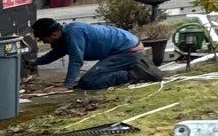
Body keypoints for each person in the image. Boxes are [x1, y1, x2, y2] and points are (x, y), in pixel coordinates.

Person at [31, 17, 164, 90]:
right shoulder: (64, 35)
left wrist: (67, 84)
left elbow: (76, 61)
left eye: (44, 39)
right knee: (87, 79)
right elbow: (56, 53)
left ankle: (133, 74)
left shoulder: (74, 33)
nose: (44, 42)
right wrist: (35, 62)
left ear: (53, 33)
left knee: (89, 81)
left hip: (127, 51)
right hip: (121, 49)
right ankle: (128, 68)